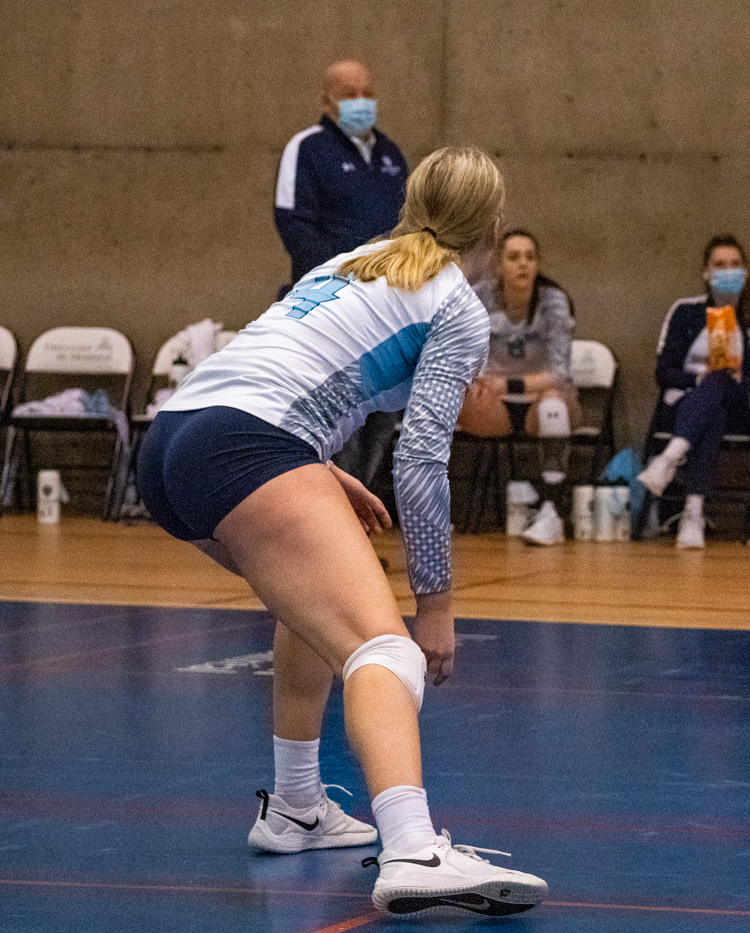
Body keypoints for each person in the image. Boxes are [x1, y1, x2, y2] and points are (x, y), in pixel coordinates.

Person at [138, 147, 548, 917]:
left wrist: (316, 468)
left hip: (172, 442)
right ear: (492, 226)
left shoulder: (355, 260)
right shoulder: (454, 304)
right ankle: (413, 847)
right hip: (248, 445)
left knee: (313, 609)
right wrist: (437, 603)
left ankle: (296, 807)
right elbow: (423, 459)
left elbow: (281, 368)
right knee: (383, 646)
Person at [275, 60, 411, 489]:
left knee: (380, 421)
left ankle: (358, 532)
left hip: (386, 313)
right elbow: (292, 222)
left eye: (367, 92)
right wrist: (344, 278)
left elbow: (408, 225)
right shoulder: (308, 148)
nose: (361, 102)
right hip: (332, 309)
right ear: (326, 100)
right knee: (338, 427)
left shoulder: (391, 154)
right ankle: (329, 530)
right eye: (349, 94)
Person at [638, 235, 750, 548]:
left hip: (741, 407)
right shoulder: (684, 312)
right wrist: (697, 379)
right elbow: (663, 373)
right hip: (686, 404)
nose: (728, 271)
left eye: (735, 264)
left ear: (746, 271)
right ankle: (692, 512)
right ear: (706, 273)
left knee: (720, 383)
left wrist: (741, 380)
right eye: (719, 265)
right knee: (712, 406)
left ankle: (669, 459)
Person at [457, 229, 577, 546]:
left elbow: (559, 373)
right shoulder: (479, 296)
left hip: (541, 397)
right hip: (494, 401)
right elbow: (465, 354)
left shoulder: (553, 300)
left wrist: (507, 383)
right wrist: (478, 382)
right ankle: (432, 511)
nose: (523, 264)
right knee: (454, 402)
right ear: (499, 265)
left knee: (555, 406)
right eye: (513, 257)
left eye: (530, 257)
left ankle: (552, 511)